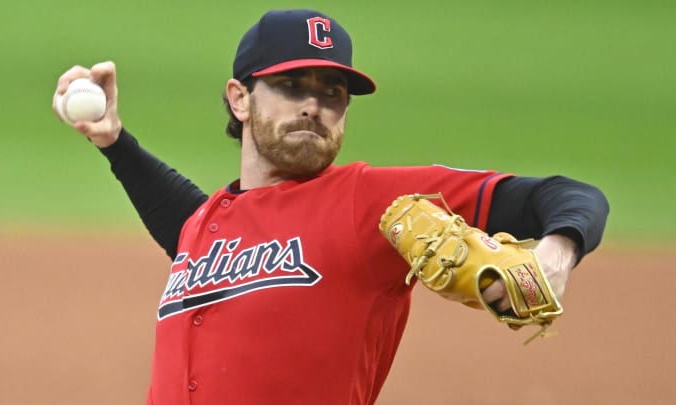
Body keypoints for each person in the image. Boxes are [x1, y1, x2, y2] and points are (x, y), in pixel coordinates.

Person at [52, 8, 609, 405]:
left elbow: (567, 196)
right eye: (293, 85)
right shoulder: (210, 225)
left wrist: (557, 252)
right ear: (240, 98)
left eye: (332, 93)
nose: (314, 105)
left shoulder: (371, 201)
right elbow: (185, 221)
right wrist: (114, 142)